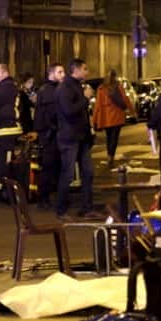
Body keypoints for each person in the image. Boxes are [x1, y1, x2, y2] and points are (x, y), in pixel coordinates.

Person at [55, 58, 100, 220]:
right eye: (85, 69)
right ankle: (61, 210)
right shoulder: (66, 88)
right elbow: (69, 111)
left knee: (88, 173)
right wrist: (85, 98)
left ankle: (87, 208)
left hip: (81, 137)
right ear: (76, 70)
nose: (87, 72)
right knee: (67, 174)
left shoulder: (76, 86)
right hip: (69, 138)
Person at [34, 63, 65, 209]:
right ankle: (44, 198)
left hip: (49, 133)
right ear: (51, 74)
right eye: (60, 72)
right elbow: (52, 113)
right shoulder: (50, 91)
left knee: (52, 167)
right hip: (49, 134)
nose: (63, 75)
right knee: (49, 166)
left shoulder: (48, 89)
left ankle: (46, 197)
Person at [0, 64, 22, 202]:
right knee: (2, 159)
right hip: (6, 128)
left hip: (8, 128)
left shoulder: (6, 87)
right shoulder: (8, 86)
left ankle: (5, 190)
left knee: (5, 161)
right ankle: (2, 189)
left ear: (5, 73)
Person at [92, 69, 133, 168]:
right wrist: (132, 111)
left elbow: (97, 106)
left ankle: (109, 156)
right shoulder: (118, 87)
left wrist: (94, 120)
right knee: (114, 138)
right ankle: (111, 156)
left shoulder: (101, 89)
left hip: (106, 117)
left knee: (109, 137)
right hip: (117, 116)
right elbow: (125, 99)